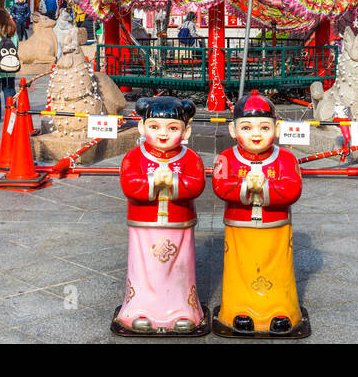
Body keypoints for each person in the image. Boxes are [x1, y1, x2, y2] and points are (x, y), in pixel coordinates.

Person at [212, 90, 305, 336]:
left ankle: (281, 309)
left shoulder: (285, 158)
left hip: (275, 227)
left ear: (276, 129)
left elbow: (292, 187)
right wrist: (245, 186)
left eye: (264, 128)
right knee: (239, 268)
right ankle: (238, 309)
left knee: (278, 267)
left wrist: (263, 186)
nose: (255, 134)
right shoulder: (226, 158)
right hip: (240, 226)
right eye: (247, 127)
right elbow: (221, 185)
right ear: (233, 131)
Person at [114, 96, 206, 335]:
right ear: (142, 127)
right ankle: (139, 310)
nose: (163, 134)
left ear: (185, 132)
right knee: (144, 268)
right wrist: (154, 181)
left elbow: (196, 184)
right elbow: (129, 184)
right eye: (154, 127)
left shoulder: (190, 158)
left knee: (180, 269)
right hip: (144, 224)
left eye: (172, 128)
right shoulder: (134, 157)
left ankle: (183, 311)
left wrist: (174, 180)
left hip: (179, 223)